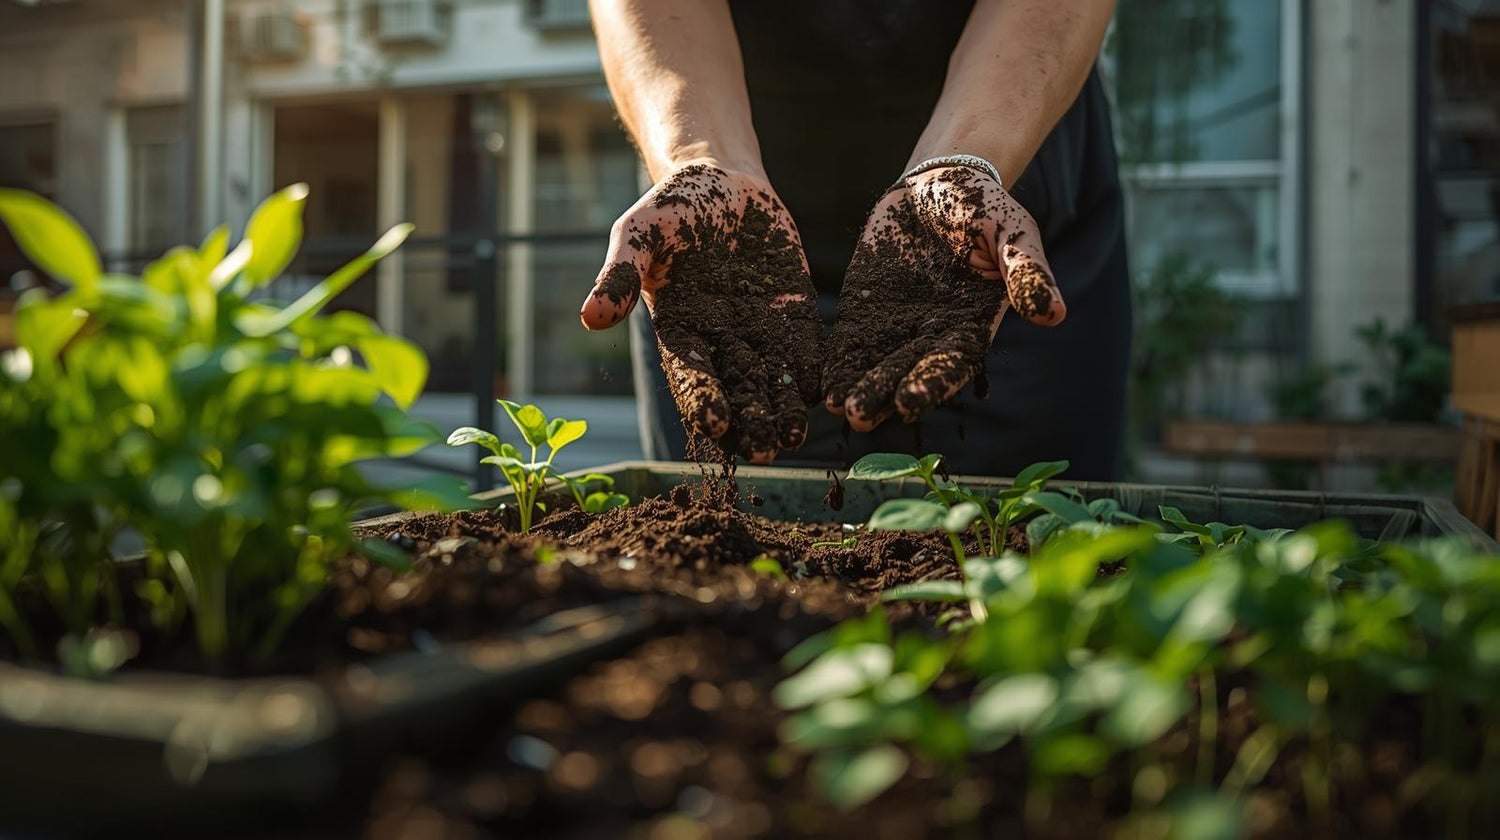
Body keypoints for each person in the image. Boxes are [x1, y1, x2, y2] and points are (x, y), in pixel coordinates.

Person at [579, 0, 1130, 481]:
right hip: (724, 258)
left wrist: (964, 157)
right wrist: (701, 154)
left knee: (1029, 560)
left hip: (987, 240)